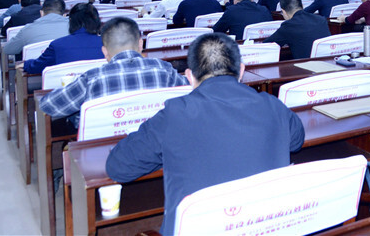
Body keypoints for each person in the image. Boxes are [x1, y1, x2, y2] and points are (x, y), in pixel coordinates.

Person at [105, 33, 305, 236]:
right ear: (241, 71)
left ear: (189, 76)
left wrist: (166, 152)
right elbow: (296, 140)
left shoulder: (175, 114)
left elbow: (118, 168)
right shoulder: (273, 105)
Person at [39, 17, 188, 121]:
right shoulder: (163, 69)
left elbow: (48, 106)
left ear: (105, 52)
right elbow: (190, 89)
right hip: (158, 143)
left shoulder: (92, 78)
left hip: (103, 149)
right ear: (140, 44)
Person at [22, 3, 103, 74]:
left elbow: (35, 67)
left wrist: (26, 64)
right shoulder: (106, 43)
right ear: (97, 21)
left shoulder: (58, 45)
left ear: (70, 21)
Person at [265, 0, 330, 59]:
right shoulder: (321, 19)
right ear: (302, 6)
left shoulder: (288, 26)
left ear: (283, 11)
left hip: (306, 64)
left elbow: (267, 45)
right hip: (328, 62)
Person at [3, 0, 69, 56]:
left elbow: (8, 50)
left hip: (38, 65)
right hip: (66, 64)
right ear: (64, 14)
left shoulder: (28, 29)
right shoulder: (73, 27)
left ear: (41, 13)